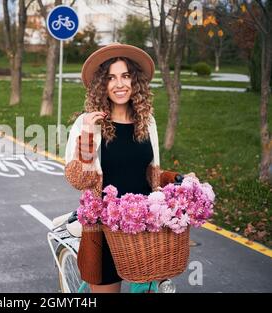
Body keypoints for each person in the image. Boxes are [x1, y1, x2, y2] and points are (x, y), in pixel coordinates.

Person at [64, 43, 195, 293]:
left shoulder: (147, 121)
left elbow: (150, 172)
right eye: (111, 78)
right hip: (104, 232)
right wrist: (89, 136)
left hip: (144, 231)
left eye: (125, 76)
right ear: (102, 84)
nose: (119, 84)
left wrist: (177, 179)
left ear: (135, 81)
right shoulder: (88, 123)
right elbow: (78, 180)